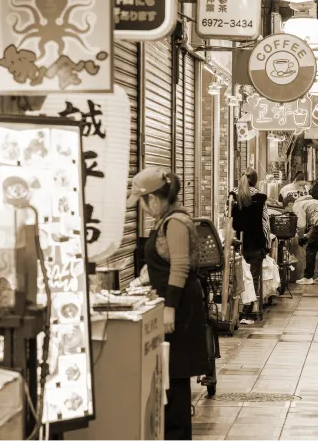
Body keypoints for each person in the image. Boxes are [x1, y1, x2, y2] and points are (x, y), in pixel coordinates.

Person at [128, 167, 208, 440]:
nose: (141, 207)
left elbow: (180, 265)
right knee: (169, 372)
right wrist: (141, 281)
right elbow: (163, 260)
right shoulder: (164, 221)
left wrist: (170, 308)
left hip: (181, 304)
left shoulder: (175, 222)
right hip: (172, 300)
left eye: (141, 201)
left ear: (152, 198)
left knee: (176, 373)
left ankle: (177, 434)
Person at [280, 184, 318, 285]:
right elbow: (315, 224)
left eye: (287, 210)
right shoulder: (310, 201)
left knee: (311, 249)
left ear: (290, 204)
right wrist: (307, 236)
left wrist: (301, 237)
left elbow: (301, 225)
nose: (289, 213)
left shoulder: (297, 206)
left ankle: (308, 277)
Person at [230, 169, 269, 315]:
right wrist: (267, 245)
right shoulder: (260, 197)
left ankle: (236, 309)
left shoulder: (232, 194)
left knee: (238, 277)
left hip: (237, 244)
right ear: (256, 180)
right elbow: (265, 224)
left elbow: (228, 219)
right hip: (255, 243)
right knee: (253, 277)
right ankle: (249, 309)